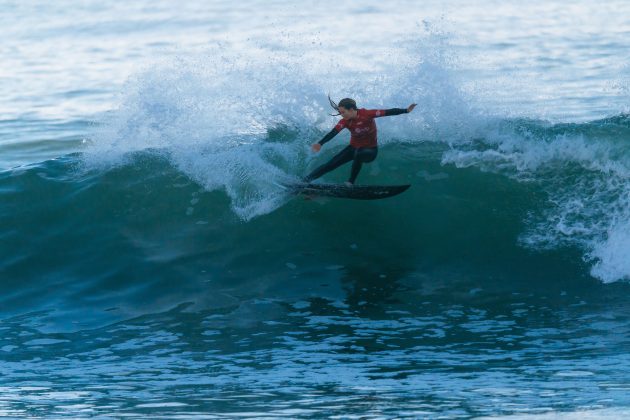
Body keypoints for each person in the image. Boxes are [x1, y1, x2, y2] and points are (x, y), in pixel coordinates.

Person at [303, 97, 416, 185]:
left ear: (351, 109)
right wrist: (320, 143)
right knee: (330, 165)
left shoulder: (367, 114)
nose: (342, 115)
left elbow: (387, 112)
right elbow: (333, 132)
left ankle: (350, 182)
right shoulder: (345, 121)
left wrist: (406, 110)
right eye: (340, 112)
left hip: (370, 151)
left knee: (359, 154)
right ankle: (305, 181)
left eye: (343, 112)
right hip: (353, 148)